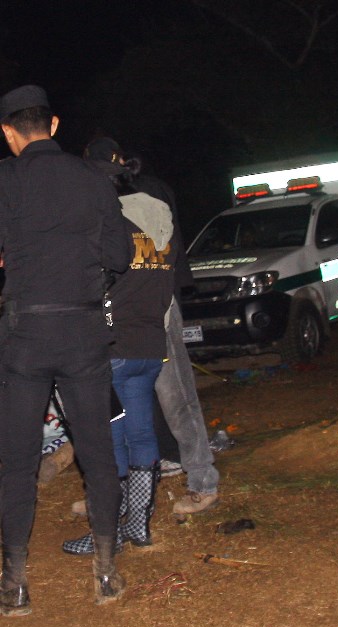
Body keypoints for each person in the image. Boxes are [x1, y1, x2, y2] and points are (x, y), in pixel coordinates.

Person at [0, 84, 132, 615]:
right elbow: (119, 256)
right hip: (82, 336)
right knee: (97, 455)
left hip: (23, 338)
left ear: (8, 131)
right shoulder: (92, 178)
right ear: (52, 126)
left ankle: (15, 586)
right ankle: (105, 573)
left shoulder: (5, 179)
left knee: (15, 462)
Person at [84, 138, 220, 516]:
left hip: (139, 313)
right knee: (144, 405)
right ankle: (124, 492)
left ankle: (202, 482)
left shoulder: (109, 211)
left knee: (164, 400)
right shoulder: (155, 203)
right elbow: (171, 257)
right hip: (157, 307)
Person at [62, 148, 176, 555]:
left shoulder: (110, 226)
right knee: (142, 434)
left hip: (112, 350)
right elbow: (166, 288)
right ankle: (139, 526)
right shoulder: (162, 223)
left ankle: (106, 534)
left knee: (105, 444)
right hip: (149, 348)